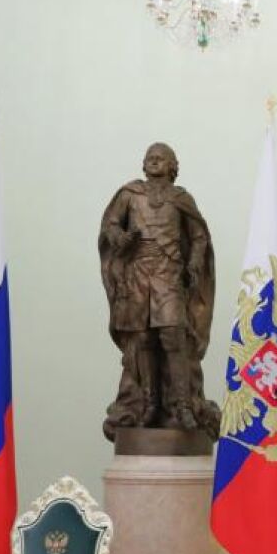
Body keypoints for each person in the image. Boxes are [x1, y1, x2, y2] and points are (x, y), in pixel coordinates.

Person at [98, 142, 219, 442]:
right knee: (141, 338)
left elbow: (199, 236)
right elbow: (110, 225)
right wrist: (120, 238)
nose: (154, 161)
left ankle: (183, 405)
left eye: (161, 158)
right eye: (150, 158)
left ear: (172, 166)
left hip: (168, 273)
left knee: (173, 335)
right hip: (137, 274)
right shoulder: (130, 194)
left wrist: (194, 262)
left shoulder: (181, 198)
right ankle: (149, 405)